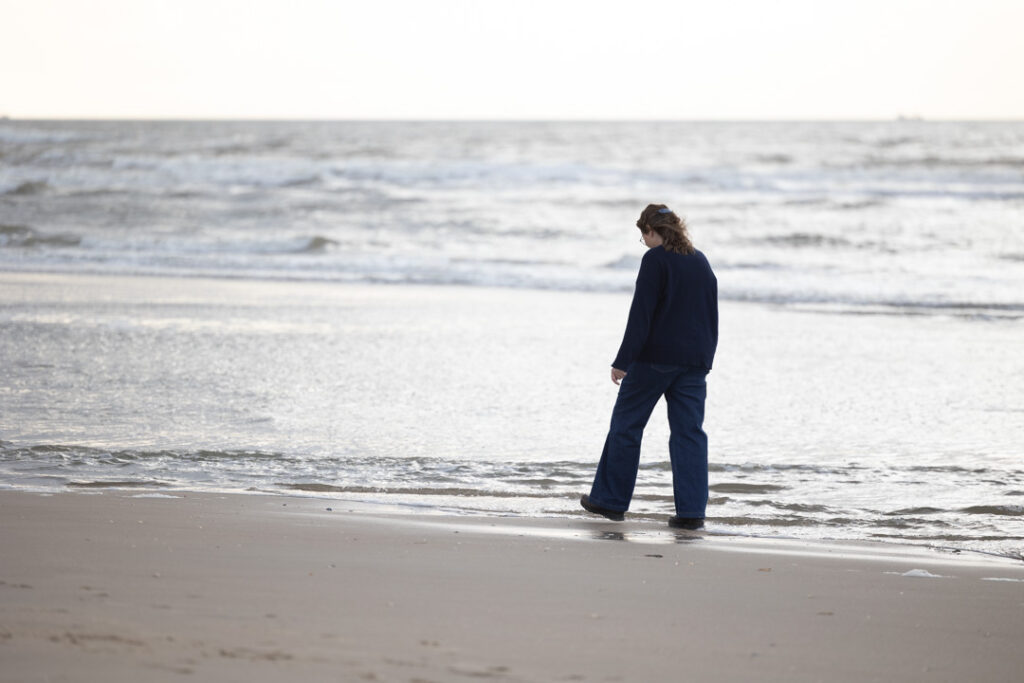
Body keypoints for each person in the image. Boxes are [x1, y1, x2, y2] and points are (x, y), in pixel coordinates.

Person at [580, 204, 718, 530]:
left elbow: (641, 315)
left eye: (644, 236)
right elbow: (710, 313)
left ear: (652, 231)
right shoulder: (700, 260)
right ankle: (691, 513)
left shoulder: (655, 260)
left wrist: (622, 361)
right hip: (695, 362)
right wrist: (704, 359)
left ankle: (610, 501)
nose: (644, 242)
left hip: (655, 359)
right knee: (689, 435)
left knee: (627, 426)